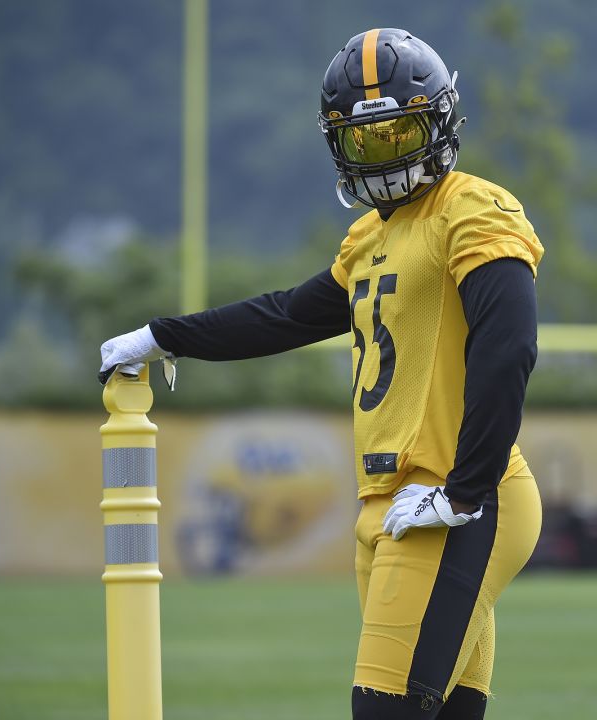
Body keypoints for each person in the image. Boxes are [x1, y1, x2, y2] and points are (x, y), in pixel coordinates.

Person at [99, 28, 544, 720]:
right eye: (369, 142)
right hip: (392, 505)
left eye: (401, 133)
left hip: (453, 504)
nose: (389, 158)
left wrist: (462, 491)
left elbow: (508, 344)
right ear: (340, 145)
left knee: (385, 711)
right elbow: (286, 316)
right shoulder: (369, 236)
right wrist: (165, 335)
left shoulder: (474, 209)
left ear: (441, 120)